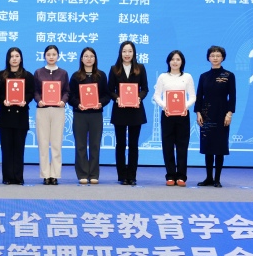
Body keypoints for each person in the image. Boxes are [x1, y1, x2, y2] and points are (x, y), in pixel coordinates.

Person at [194, 45, 236, 188]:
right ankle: (208, 178)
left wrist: (229, 113)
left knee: (219, 147)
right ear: (208, 58)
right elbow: (199, 96)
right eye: (212, 55)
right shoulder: (204, 76)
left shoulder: (229, 75)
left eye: (218, 55)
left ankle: (217, 179)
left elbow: (233, 96)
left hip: (222, 114)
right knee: (208, 147)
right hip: (206, 115)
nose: (215, 58)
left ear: (223, 58)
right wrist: (198, 113)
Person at [107, 40, 149, 186]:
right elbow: (110, 90)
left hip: (135, 111)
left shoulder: (140, 68)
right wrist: (117, 98)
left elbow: (145, 88)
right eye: (124, 51)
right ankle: (122, 175)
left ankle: (132, 175)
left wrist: (139, 97)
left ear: (134, 53)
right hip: (120, 111)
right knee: (120, 144)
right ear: (120, 53)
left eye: (130, 51)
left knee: (133, 144)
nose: (127, 54)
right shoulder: (114, 69)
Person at [153, 50, 196, 187]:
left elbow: (193, 96)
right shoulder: (163, 77)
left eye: (178, 59)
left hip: (183, 115)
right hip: (167, 115)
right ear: (168, 61)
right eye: (172, 59)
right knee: (168, 146)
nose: (175, 62)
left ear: (182, 62)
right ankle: (170, 175)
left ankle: (182, 176)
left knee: (182, 146)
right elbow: (156, 96)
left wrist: (185, 107)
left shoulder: (187, 77)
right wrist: (164, 106)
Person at [68, 47, 110, 185]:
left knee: (95, 145)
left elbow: (107, 95)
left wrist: (100, 103)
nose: (89, 59)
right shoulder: (76, 76)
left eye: (91, 56)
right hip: (80, 114)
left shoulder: (101, 76)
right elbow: (70, 96)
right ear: (81, 59)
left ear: (95, 59)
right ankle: (82, 174)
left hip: (96, 114)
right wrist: (78, 104)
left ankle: (94, 174)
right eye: (86, 56)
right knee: (80, 145)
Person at [0, 47, 35, 185]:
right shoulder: (1, 75)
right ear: (8, 59)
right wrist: (3, 101)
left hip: (21, 116)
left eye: (17, 56)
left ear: (21, 58)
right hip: (5, 116)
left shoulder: (28, 76)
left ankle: (18, 177)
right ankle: (7, 177)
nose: (14, 59)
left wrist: (25, 100)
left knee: (19, 148)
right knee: (6, 149)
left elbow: (31, 92)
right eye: (12, 56)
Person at [33, 44, 69, 185]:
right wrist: (39, 100)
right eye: (48, 54)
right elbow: (35, 91)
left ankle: (54, 175)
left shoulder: (63, 73)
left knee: (56, 143)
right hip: (42, 110)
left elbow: (67, 91)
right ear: (44, 56)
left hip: (58, 110)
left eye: (54, 54)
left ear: (58, 56)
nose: (51, 57)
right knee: (43, 143)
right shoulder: (38, 72)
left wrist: (63, 101)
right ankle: (45, 174)